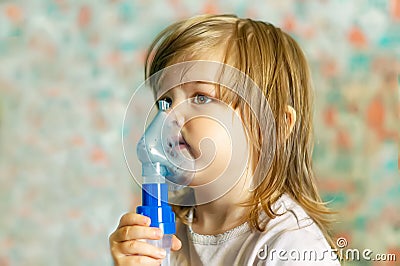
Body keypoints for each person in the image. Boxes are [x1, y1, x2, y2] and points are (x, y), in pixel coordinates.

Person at [109, 14, 340, 265]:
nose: (170, 116)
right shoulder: (166, 236)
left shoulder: (292, 247)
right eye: (166, 101)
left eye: (200, 97)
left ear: (272, 125)